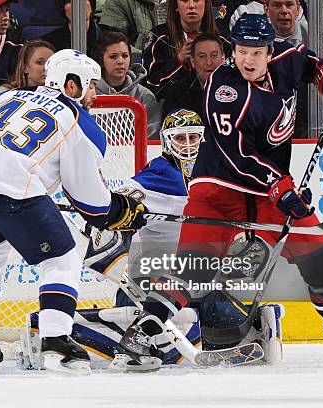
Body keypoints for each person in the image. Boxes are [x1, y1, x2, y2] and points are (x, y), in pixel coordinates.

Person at [115, 13, 323, 372]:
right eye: (240, 51)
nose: (247, 60)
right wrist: (280, 185)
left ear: (269, 51)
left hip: (268, 188)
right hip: (220, 186)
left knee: (318, 253)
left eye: (255, 52)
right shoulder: (223, 91)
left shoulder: (287, 57)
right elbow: (239, 155)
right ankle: (144, 330)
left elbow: (314, 61)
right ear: (231, 51)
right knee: (196, 269)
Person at [0, 49, 147, 375]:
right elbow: (90, 201)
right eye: (91, 85)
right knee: (62, 260)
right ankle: (57, 343)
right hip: (13, 193)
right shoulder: (79, 122)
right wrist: (120, 211)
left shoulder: (9, 97)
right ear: (72, 85)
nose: (95, 93)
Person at [76, 109, 284, 369]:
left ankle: (247, 327)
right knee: (158, 334)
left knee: (220, 309)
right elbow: (115, 205)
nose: (187, 145)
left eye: (193, 138)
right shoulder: (158, 176)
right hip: (144, 287)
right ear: (166, 142)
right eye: (180, 139)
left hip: (189, 282)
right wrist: (104, 214)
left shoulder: (216, 176)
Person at [94, 31, 161, 139]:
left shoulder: (144, 96)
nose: (120, 61)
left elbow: (152, 139)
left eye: (125, 56)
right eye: (113, 57)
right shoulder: (90, 94)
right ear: (101, 59)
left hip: (136, 155)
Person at [161, 33, 225, 118]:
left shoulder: (240, 89)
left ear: (223, 59)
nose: (209, 62)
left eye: (214, 55)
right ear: (193, 62)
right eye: (202, 56)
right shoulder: (178, 95)